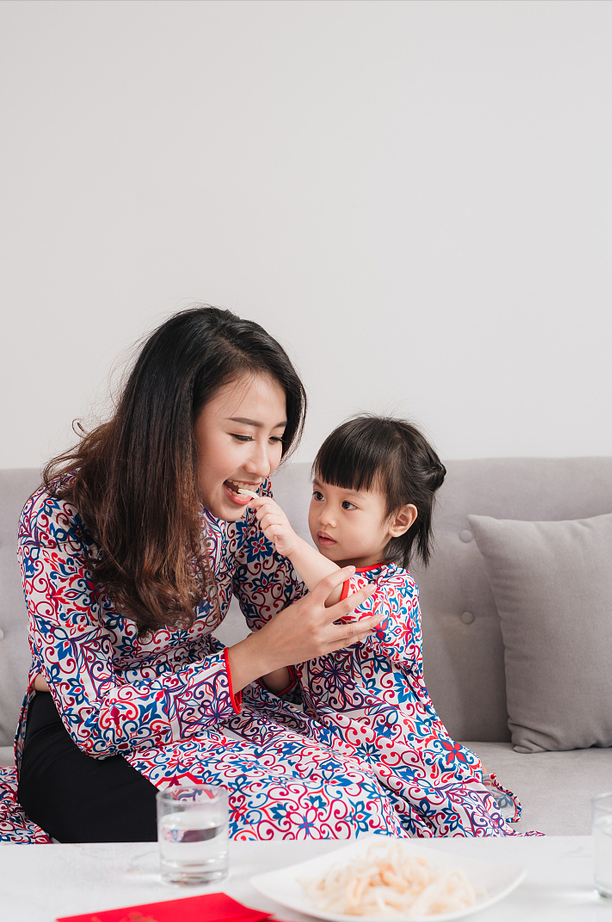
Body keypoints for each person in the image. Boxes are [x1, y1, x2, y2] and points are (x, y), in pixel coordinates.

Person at [16, 306, 395, 843]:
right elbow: (94, 720)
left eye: (277, 437)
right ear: (173, 424)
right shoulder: (62, 513)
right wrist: (259, 655)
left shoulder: (244, 502)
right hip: (86, 745)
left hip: (209, 712)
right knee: (277, 824)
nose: (265, 465)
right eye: (243, 436)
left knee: (359, 804)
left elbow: (300, 640)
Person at [248, 415, 522, 836]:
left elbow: (352, 602)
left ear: (398, 520)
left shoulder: (393, 587)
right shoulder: (308, 585)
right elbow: (292, 679)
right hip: (328, 736)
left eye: (348, 504)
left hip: (395, 744)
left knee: (442, 818)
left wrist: (291, 544)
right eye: (319, 494)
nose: (325, 517)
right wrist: (268, 654)